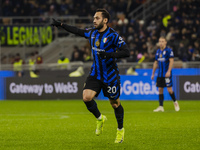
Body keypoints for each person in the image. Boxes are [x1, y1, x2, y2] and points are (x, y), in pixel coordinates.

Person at [51, 8, 130, 143]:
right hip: (95, 74)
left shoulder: (113, 35)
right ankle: (100, 119)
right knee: (86, 97)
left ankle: (120, 130)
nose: (94, 20)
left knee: (115, 104)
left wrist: (110, 55)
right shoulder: (92, 33)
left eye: (97, 18)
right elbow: (77, 31)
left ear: (105, 20)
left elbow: (126, 52)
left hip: (110, 76)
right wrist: (61, 25)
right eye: (94, 18)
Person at [151, 36, 180, 112]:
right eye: (160, 41)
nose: (161, 43)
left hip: (166, 74)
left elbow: (171, 61)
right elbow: (155, 63)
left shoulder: (169, 51)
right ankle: (161, 106)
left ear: (165, 42)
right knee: (160, 89)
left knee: (169, 90)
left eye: (162, 41)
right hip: (160, 74)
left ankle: (175, 102)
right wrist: (153, 73)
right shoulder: (158, 51)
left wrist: (169, 71)